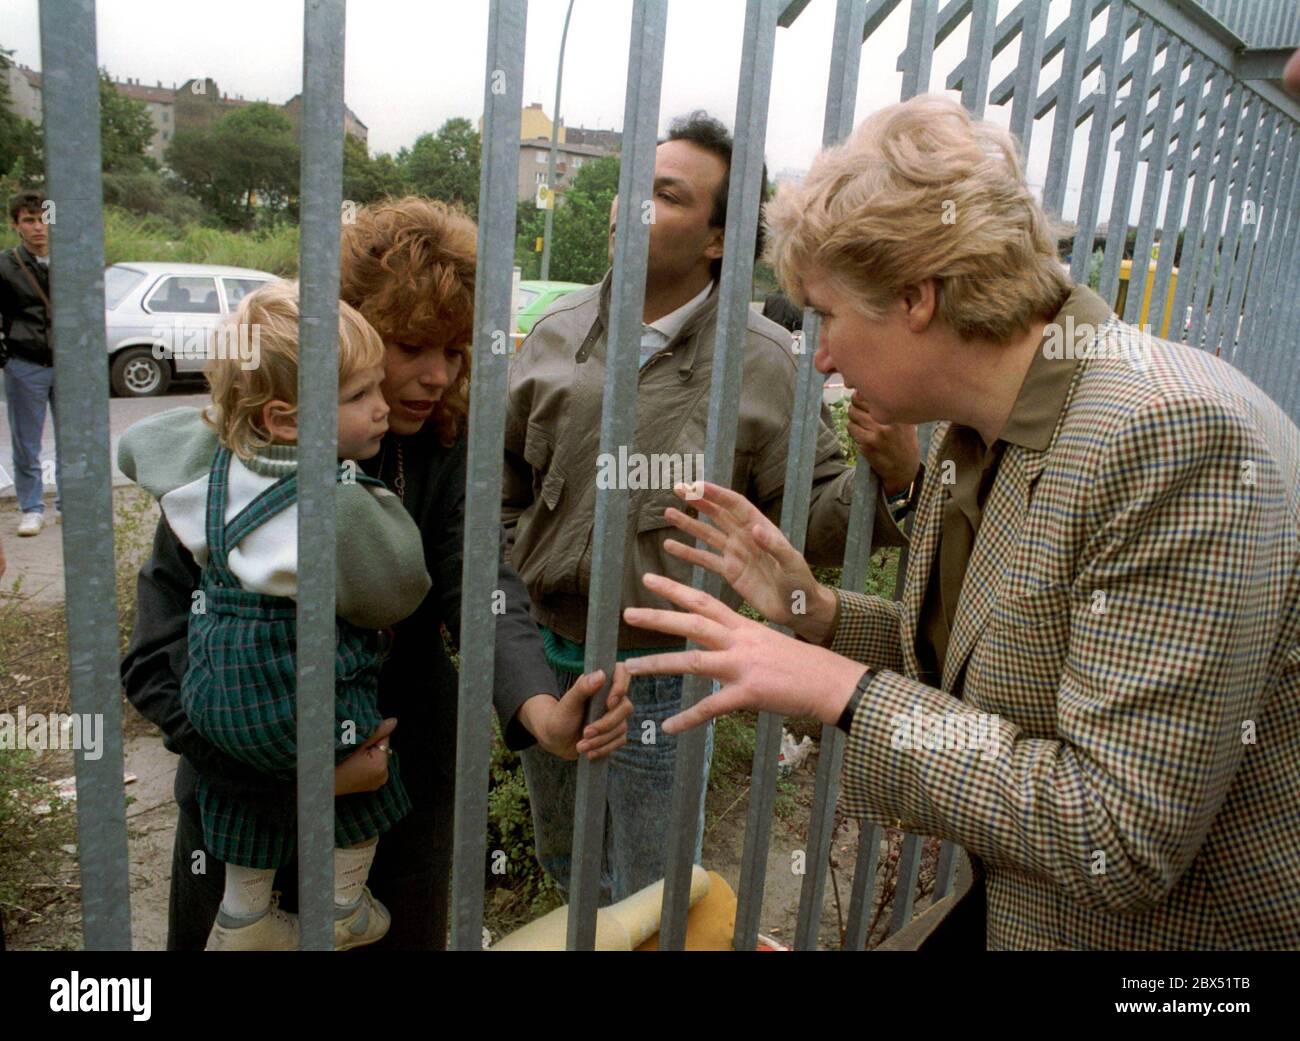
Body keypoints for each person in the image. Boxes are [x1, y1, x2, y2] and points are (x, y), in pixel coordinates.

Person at [620, 95, 1300, 950]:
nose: (820, 353)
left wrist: (837, 688)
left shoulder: (1165, 436)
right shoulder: (979, 428)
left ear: (915, 296)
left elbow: (1117, 839)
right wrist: (815, 615)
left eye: (827, 313)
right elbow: (971, 673)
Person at [121, 197, 633, 950]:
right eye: (412, 346)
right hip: (238, 807)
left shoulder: (443, 451)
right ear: (345, 336)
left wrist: (540, 709)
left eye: (456, 351)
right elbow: (155, 654)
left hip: (394, 798)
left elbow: (482, 587)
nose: (438, 375)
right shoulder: (225, 463)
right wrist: (288, 772)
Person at [503, 110, 920, 906]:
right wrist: (512, 640)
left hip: (665, 675)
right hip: (549, 657)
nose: (634, 206)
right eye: (634, 188)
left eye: (666, 195)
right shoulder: (556, 333)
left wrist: (894, 475)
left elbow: (811, 520)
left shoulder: (762, 361)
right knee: (568, 867)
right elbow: (501, 497)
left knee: (655, 890)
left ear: (719, 239)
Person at [120, 283, 432, 950]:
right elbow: (397, 586)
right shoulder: (337, 500)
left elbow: (144, 442)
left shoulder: (207, 478)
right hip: (314, 724)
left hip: (218, 711)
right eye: (358, 396)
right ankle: (345, 901)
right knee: (372, 786)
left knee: (240, 822)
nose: (380, 407)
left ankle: (244, 916)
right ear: (287, 421)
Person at [0, 190, 61, 537]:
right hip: (26, 362)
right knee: (26, 442)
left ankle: (70, 505)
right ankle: (31, 507)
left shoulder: (71, 261)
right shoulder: (6, 265)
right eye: (29, 220)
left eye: (44, 219)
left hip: (69, 364)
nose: (38, 227)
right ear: (16, 225)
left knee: (75, 440)